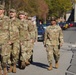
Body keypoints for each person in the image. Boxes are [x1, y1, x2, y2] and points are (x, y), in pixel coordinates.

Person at [8, 8, 21, 73]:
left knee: (15, 53)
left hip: (16, 40)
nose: (11, 13)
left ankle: (14, 65)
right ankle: (10, 66)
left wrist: (21, 40)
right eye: (10, 12)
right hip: (7, 40)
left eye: (12, 12)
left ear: (15, 14)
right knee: (8, 54)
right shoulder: (7, 20)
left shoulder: (18, 21)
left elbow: (21, 31)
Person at [0, 5, 11, 75]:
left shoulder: (7, 19)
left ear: (3, 10)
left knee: (4, 56)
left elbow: (11, 30)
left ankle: (4, 67)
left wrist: (10, 39)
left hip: (5, 40)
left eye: (0, 9)